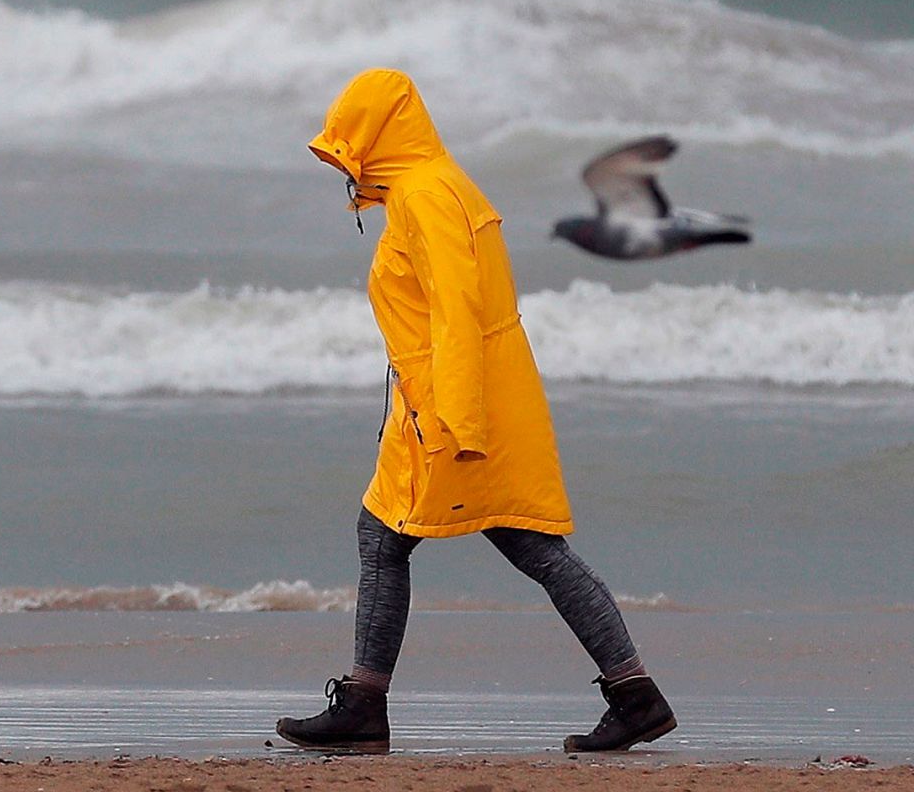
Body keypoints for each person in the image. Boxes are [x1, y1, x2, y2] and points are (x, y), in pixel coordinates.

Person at [276, 69, 676, 754]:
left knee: (487, 544)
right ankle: (632, 695)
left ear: (378, 134)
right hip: (447, 400)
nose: (345, 164)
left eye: (351, 144)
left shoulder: (428, 195)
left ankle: (369, 705)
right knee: (458, 540)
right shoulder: (429, 188)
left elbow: (459, 313)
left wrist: (457, 421)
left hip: (457, 406)